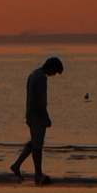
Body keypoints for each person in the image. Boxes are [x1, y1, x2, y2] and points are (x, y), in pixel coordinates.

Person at [10, 56, 64, 185]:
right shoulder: (41, 77)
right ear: (50, 67)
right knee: (38, 145)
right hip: (37, 115)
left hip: (31, 113)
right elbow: (41, 99)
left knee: (35, 142)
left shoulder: (34, 74)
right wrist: (46, 116)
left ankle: (17, 165)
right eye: (54, 72)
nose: (53, 75)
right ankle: (38, 174)